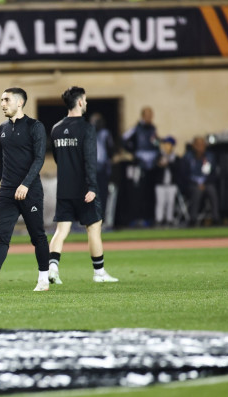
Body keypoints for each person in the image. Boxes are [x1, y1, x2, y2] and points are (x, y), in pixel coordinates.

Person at [0, 87, 50, 293]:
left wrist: (26, 184)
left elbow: (39, 159)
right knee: (1, 236)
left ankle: (43, 278)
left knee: (37, 236)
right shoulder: (2, 128)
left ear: (20, 102)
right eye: (1, 100)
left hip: (30, 191)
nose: (2, 104)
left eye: (6, 99)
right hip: (6, 192)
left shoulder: (35, 126)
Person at [48, 86, 118, 284]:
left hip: (64, 189)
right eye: (85, 100)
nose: (86, 103)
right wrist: (93, 188)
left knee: (61, 231)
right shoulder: (87, 128)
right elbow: (90, 160)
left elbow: (57, 158)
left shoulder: (56, 128)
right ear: (79, 102)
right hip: (84, 190)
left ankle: (52, 269)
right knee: (94, 229)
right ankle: (99, 273)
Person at [122, 106, 160, 226]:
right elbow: (124, 139)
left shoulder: (153, 129)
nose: (149, 118)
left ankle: (149, 217)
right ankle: (137, 218)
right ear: (143, 116)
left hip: (152, 166)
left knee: (150, 193)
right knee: (138, 192)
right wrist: (133, 152)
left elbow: (156, 143)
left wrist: (158, 154)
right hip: (140, 164)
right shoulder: (137, 128)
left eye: (151, 115)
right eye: (147, 115)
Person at [185, 136, 220, 226]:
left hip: (207, 182)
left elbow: (213, 174)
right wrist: (197, 183)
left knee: (212, 190)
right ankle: (193, 219)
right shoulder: (188, 157)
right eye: (198, 145)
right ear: (194, 146)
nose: (201, 147)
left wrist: (205, 183)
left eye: (202, 144)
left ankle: (216, 218)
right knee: (197, 191)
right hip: (193, 184)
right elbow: (184, 175)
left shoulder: (209, 157)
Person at [89, 112, 114, 218]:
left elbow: (111, 149)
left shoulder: (105, 133)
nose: (96, 124)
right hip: (91, 167)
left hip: (102, 167)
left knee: (103, 193)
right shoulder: (88, 132)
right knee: (90, 193)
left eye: (98, 121)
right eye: (95, 121)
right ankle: (90, 216)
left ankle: (101, 216)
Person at [153, 136, 182, 226]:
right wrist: (160, 164)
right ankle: (159, 220)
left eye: (168, 144)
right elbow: (155, 168)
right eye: (165, 144)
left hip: (171, 184)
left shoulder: (175, 157)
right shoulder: (159, 155)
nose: (166, 146)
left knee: (171, 203)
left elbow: (178, 169)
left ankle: (169, 220)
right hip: (161, 184)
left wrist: (168, 163)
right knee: (160, 202)